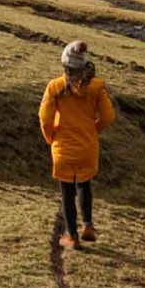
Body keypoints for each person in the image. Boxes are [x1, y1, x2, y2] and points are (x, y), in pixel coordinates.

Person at [40, 41, 115, 250]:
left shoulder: (55, 87)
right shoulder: (97, 87)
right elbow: (108, 117)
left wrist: (51, 138)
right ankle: (88, 225)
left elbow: (45, 118)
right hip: (87, 146)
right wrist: (93, 130)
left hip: (62, 147)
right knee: (84, 184)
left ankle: (72, 236)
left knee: (66, 191)